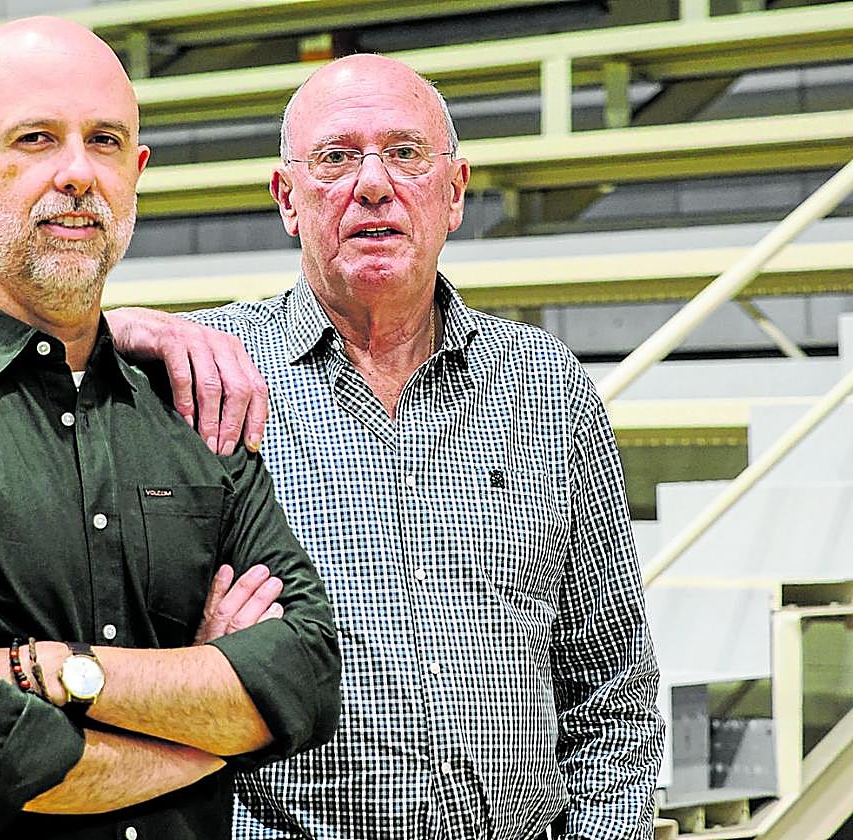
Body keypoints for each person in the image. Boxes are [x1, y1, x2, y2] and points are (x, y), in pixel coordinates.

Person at [0, 18, 340, 840]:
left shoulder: (195, 400)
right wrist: (214, 727)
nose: (78, 173)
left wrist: (49, 671)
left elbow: (301, 677)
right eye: (36, 139)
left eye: (107, 141)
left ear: (138, 171)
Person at [108, 54, 664, 840]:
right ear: (287, 199)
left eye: (405, 153)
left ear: (455, 192)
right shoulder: (199, 371)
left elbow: (614, 694)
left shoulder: (547, 385)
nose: (373, 183)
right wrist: (106, 332)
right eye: (335, 158)